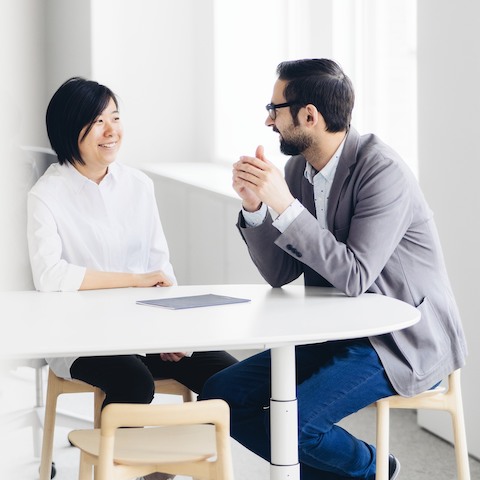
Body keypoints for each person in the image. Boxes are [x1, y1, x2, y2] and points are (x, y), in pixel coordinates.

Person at [200, 59, 467, 480]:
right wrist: (256, 208)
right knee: (221, 395)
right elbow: (281, 274)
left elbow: (355, 276)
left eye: (275, 109)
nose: (269, 120)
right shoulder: (297, 170)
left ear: (310, 115)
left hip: (400, 339)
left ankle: (374, 469)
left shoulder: (382, 171)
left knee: (296, 427)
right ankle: (361, 471)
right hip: (340, 329)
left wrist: (284, 207)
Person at [27, 77, 237, 480]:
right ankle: (132, 471)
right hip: (80, 338)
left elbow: (161, 269)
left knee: (230, 376)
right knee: (134, 383)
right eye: (98, 121)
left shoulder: (139, 185)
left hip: (146, 330)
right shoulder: (46, 195)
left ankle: (167, 465)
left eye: (116, 118)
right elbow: (50, 275)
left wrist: (173, 331)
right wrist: (133, 281)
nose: (112, 131)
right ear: (71, 129)